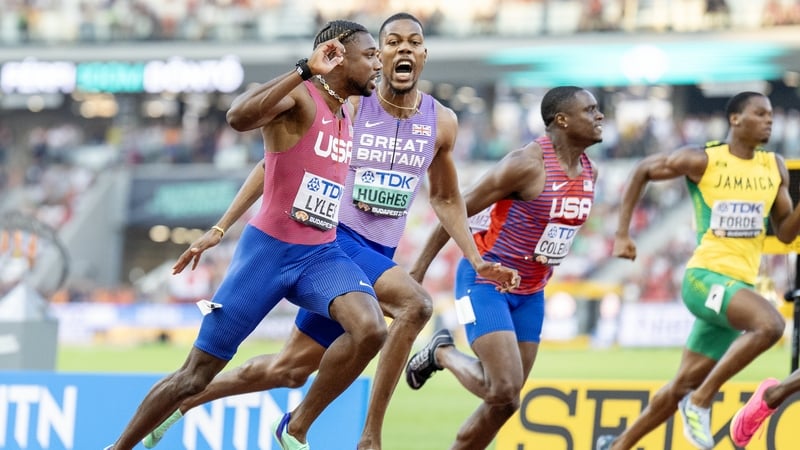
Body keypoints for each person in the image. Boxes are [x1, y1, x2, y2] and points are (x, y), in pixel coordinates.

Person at [140, 13, 520, 450]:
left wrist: (475, 258)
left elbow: (448, 199)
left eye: (412, 42)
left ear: (423, 54)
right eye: (390, 42)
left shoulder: (441, 122)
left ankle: (186, 401)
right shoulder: (351, 102)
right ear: (376, 55)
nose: (402, 50)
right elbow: (273, 164)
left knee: (290, 369)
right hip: (332, 242)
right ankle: (362, 434)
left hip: (375, 254)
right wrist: (221, 226)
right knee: (414, 306)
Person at [105, 20, 387, 450]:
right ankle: (119, 447)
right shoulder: (300, 95)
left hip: (319, 255)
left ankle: (295, 428)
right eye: (369, 55)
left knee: (370, 328)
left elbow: (267, 166)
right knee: (194, 376)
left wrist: (220, 226)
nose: (378, 62)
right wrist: (303, 70)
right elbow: (238, 117)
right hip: (268, 256)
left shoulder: (345, 112)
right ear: (337, 56)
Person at [595, 91, 800, 450]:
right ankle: (702, 401)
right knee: (770, 325)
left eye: (771, 115)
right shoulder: (704, 160)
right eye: (760, 113)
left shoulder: (773, 167)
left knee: (680, 385)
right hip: (704, 279)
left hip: (737, 289)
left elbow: (784, 232)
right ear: (735, 119)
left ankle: (618, 445)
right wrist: (623, 233)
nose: (769, 120)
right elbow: (643, 169)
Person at [405, 86, 603, 450]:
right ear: (562, 120)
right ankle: (441, 352)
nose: (600, 116)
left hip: (531, 292)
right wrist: (418, 269)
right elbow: (455, 207)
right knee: (503, 387)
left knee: (506, 403)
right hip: (485, 283)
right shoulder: (525, 165)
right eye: (590, 110)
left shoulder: (590, 171)